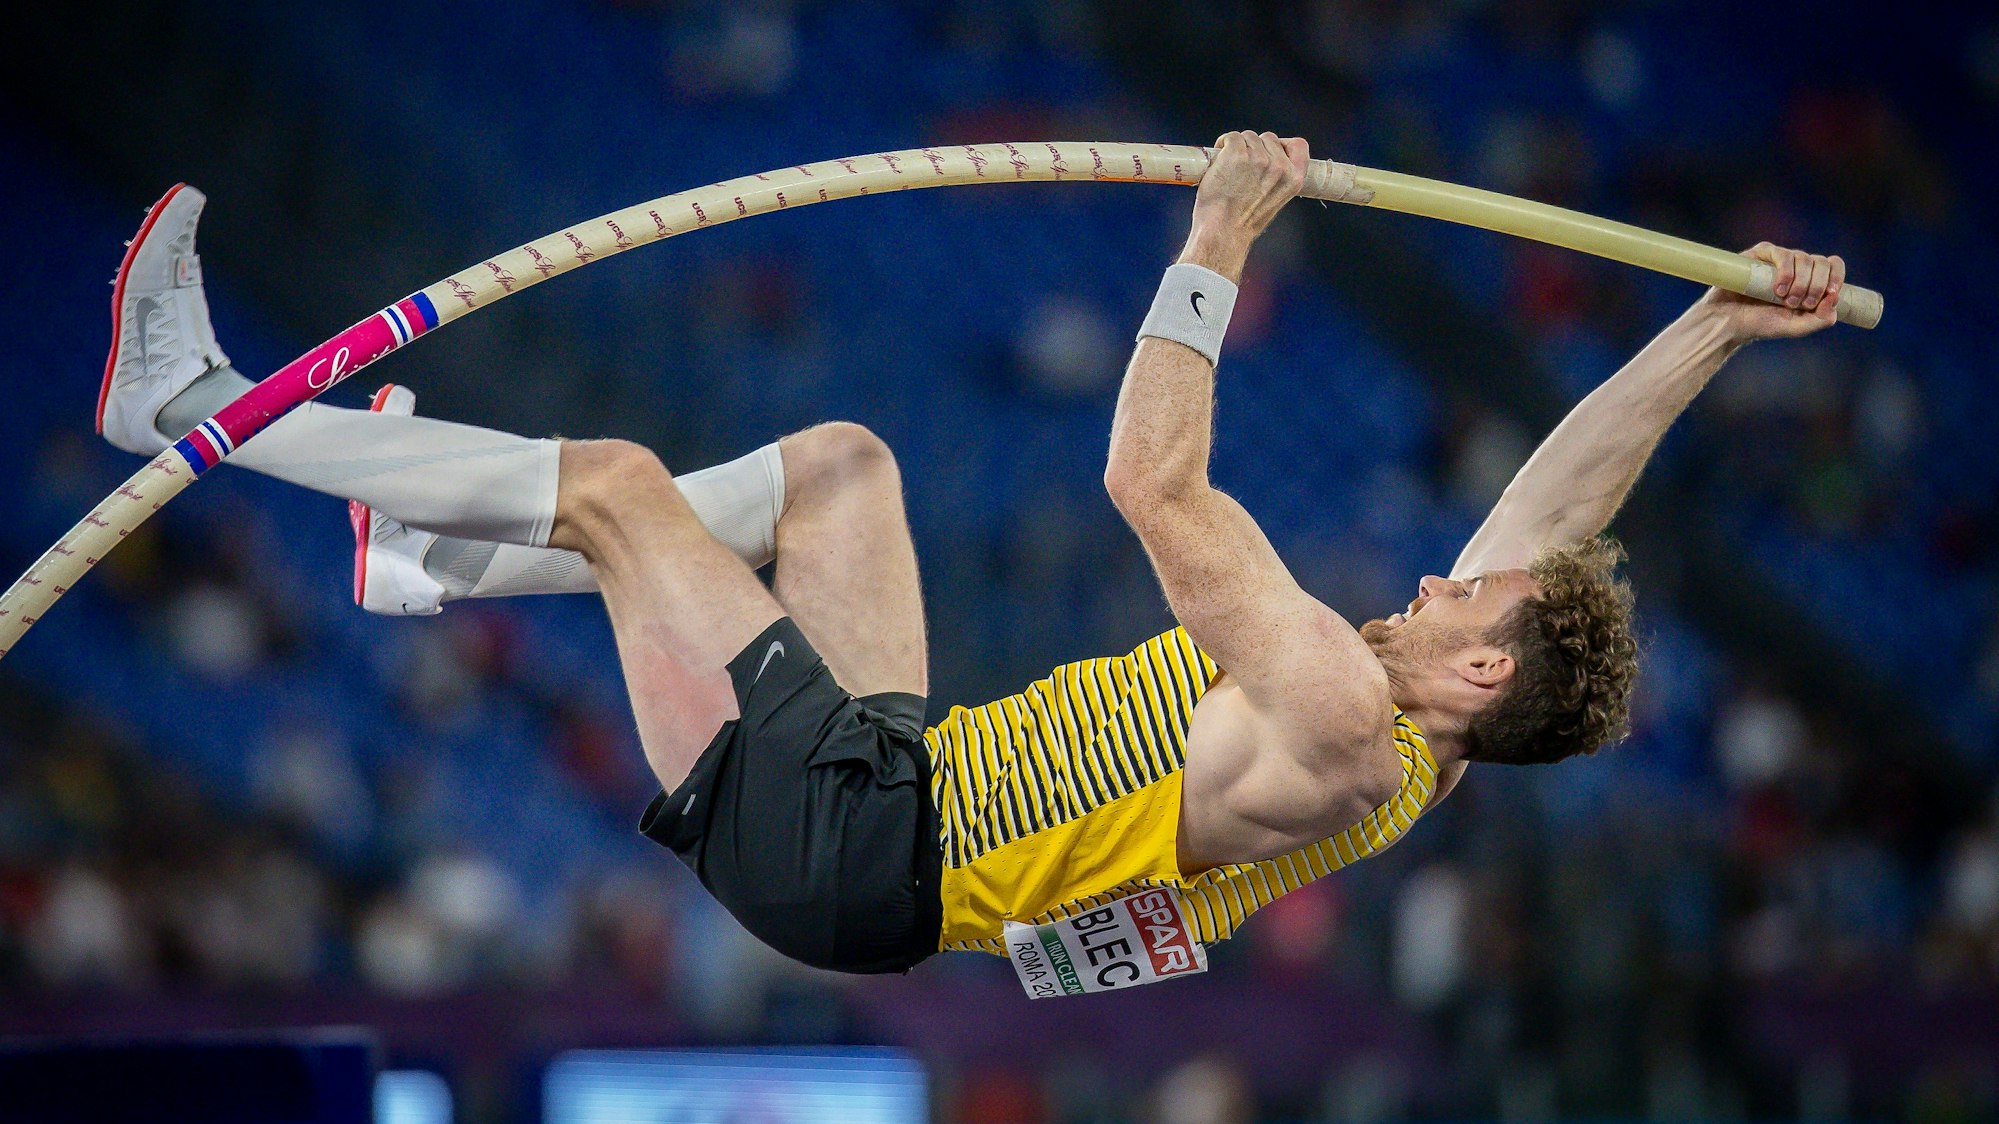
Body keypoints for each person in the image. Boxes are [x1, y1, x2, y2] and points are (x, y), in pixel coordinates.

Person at [98, 132, 1850, 982]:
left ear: (1479, 674)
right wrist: (1713, 327)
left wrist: (1218, 235)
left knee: (624, 487)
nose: (1444, 573)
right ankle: (438, 566)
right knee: (843, 475)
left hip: (859, 849)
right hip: (912, 790)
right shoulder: (1438, 733)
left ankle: (191, 403)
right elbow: (1558, 522)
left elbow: (1154, 487)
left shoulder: (1337, 706)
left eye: (1467, 598)